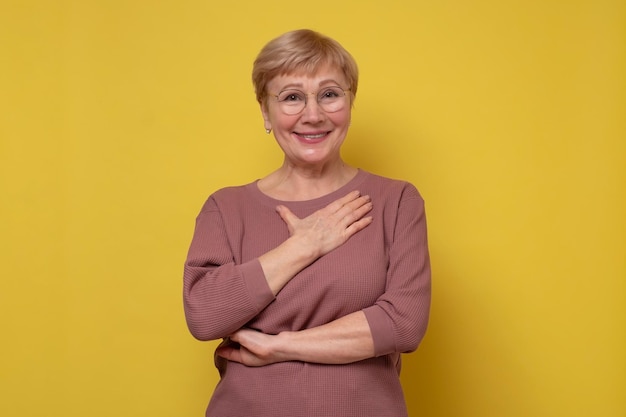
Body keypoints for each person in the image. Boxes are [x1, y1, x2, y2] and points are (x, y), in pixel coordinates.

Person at [183, 28, 431, 417]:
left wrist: (278, 346)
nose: (313, 115)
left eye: (329, 94)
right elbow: (204, 315)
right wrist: (303, 246)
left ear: (350, 103)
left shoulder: (395, 201)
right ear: (265, 111)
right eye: (292, 97)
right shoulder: (225, 207)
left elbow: (403, 324)